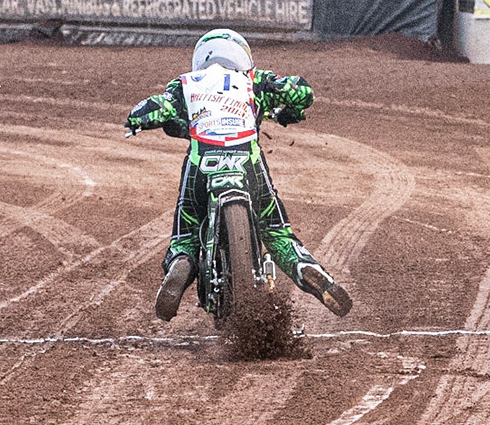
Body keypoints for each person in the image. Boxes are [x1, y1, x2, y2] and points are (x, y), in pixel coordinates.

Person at [124, 29, 353, 323]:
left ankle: (181, 262)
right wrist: (286, 112)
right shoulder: (255, 81)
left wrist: (136, 122)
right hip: (249, 165)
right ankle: (305, 266)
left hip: (201, 165)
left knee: (187, 233)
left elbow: (156, 107)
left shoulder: (185, 83)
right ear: (242, 56)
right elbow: (301, 91)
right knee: (275, 231)